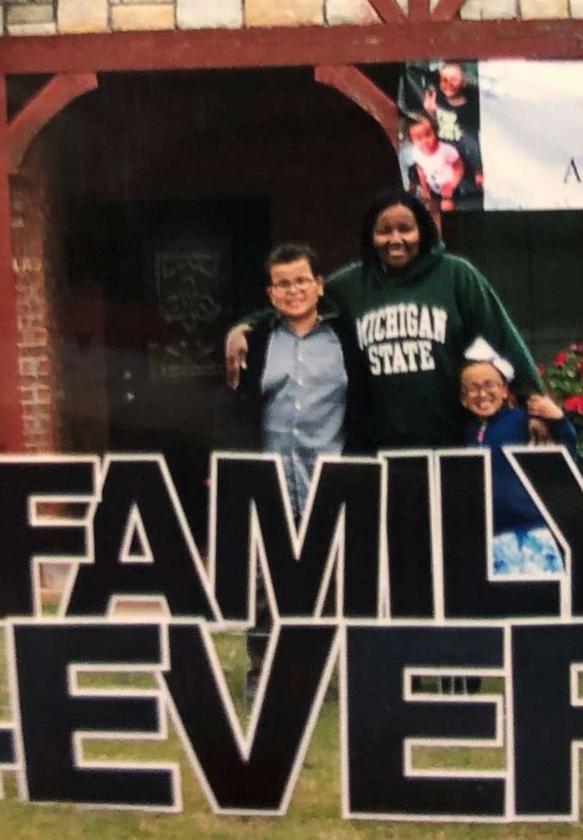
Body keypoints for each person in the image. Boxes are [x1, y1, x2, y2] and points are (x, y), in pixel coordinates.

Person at [226, 190, 545, 452]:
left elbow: (500, 335)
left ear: (422, 230)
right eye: (384, 230)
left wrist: (533, 398)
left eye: (405, 228)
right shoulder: (351, 285)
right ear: (371, 236)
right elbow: (300, 300)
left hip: (451, 438)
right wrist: (246, 326)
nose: (396, 238)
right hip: (380, 444)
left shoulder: (455, 274)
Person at [228, 243, 368, 703]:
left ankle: (320, 678)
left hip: (329, 474)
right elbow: (238, 407)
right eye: (283, 284)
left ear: (319, 285)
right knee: (264, 586)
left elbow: (364, 402)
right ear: (271, 294)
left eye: (301, 281)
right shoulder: (259, 340)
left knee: (326, 585)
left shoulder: (345, 336)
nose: (293, 291)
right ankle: (263, 675)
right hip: (270, 476)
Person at [459, 338, 576, 577]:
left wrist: (559, 420)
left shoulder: (525, 422)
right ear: (463, 398)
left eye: (490, 385)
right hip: (488, 539)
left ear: (505, 390)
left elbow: (565, 455)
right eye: (473, 388)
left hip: (532, 532)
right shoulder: (465, 432)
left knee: (541, 605)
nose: (482, 394)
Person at [405, 116, 465, 212]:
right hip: (432, 185)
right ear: (411, 141)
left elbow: (459, 168)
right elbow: (420, 169)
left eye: (428, 134)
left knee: (446, 206)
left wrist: (451, 185)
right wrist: (425, 187)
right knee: (429, 207)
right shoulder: (415, 152)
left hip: (449, 187)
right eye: (418, 138)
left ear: (435, 133)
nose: (425, 140)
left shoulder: (446, 150)